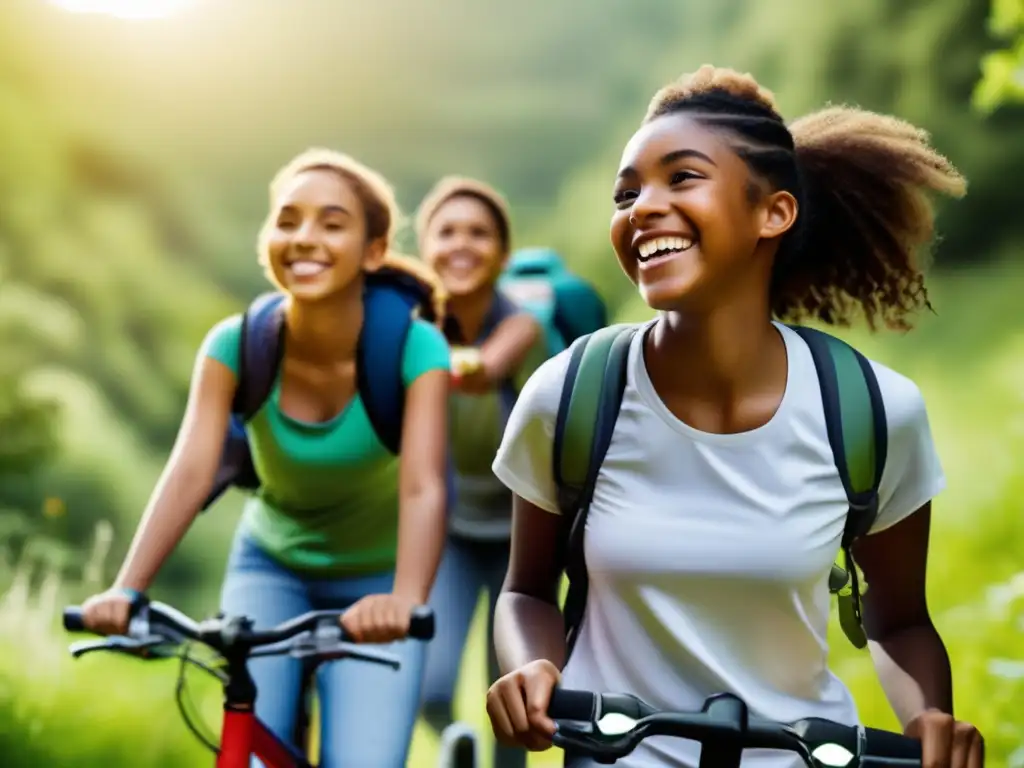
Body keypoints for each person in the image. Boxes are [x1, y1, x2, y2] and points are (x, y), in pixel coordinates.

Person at [485, 66, 984, 768]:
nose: (641, 208)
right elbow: (525, 591)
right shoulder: (570, 394)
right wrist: (532, 668)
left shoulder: (871, 413)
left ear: (772, 213)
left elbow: (898, 621)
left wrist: (930, 718)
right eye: (627, 193)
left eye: (681, 178)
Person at [78, 148, 451, 768]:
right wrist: (127, 590)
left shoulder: (415, 349)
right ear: (266, 239)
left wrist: (405, 601)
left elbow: (424, 487)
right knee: (249, 751)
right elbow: (191, 470)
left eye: (332, 224)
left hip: (379, 579)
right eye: (288, 220)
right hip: (272, 566)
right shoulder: (234, 346)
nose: (304, 238)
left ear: (374, 251)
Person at [415, 177, 546, 768]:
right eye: (446, 232)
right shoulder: (411, 326)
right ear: (426, 248)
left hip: (526, 537)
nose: (461, 245)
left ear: (501, 253)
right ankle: (453, 746)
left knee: (512, 708)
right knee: (430, 687)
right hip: (450, 531)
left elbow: (483, 370)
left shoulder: (521, 326)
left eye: (478, 233)